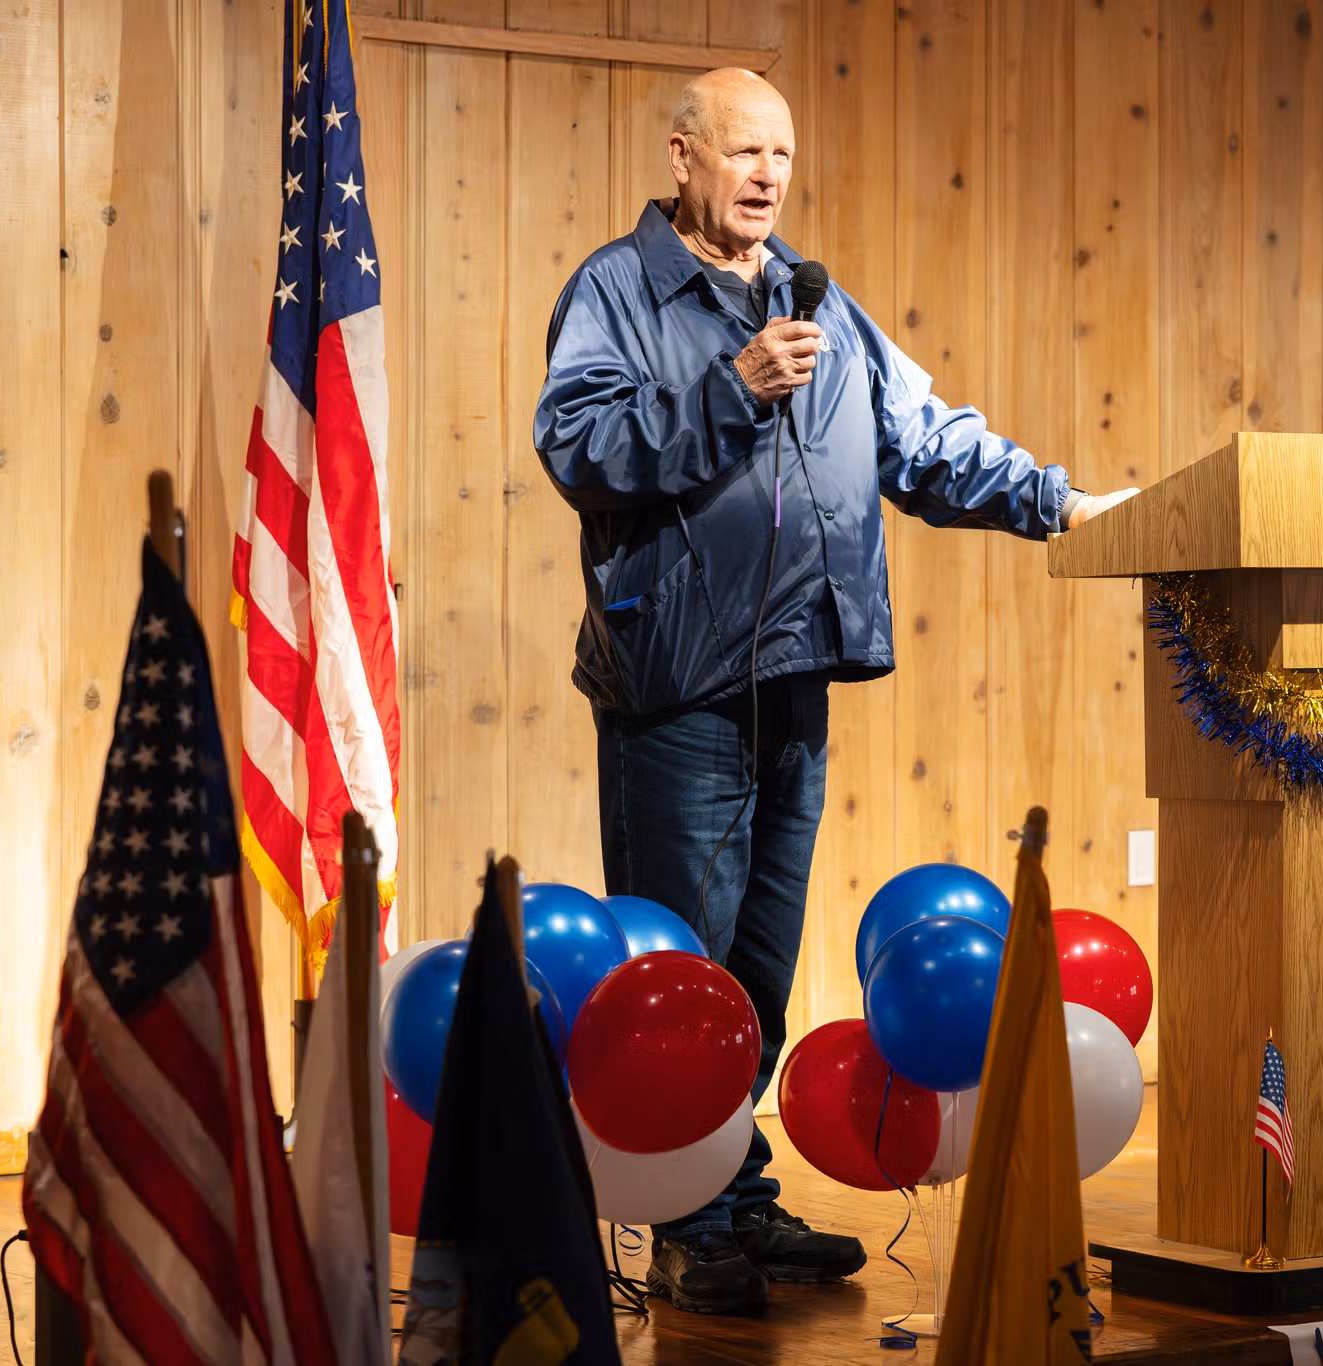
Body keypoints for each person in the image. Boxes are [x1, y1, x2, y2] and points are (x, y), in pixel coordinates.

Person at [531, 67, 1136, 1317]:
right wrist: (729, 388)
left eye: (783, 155)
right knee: (680, 964)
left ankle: (730, 1191)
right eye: (743, 151)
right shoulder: (617, 290)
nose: (767, 176)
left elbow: (923, 440)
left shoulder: (816, 299)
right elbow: (578, 445)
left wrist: (1060, 503)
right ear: (682, 158)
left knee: (757, 964)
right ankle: (684, 1221)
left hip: (796, 673)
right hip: (678, 688)